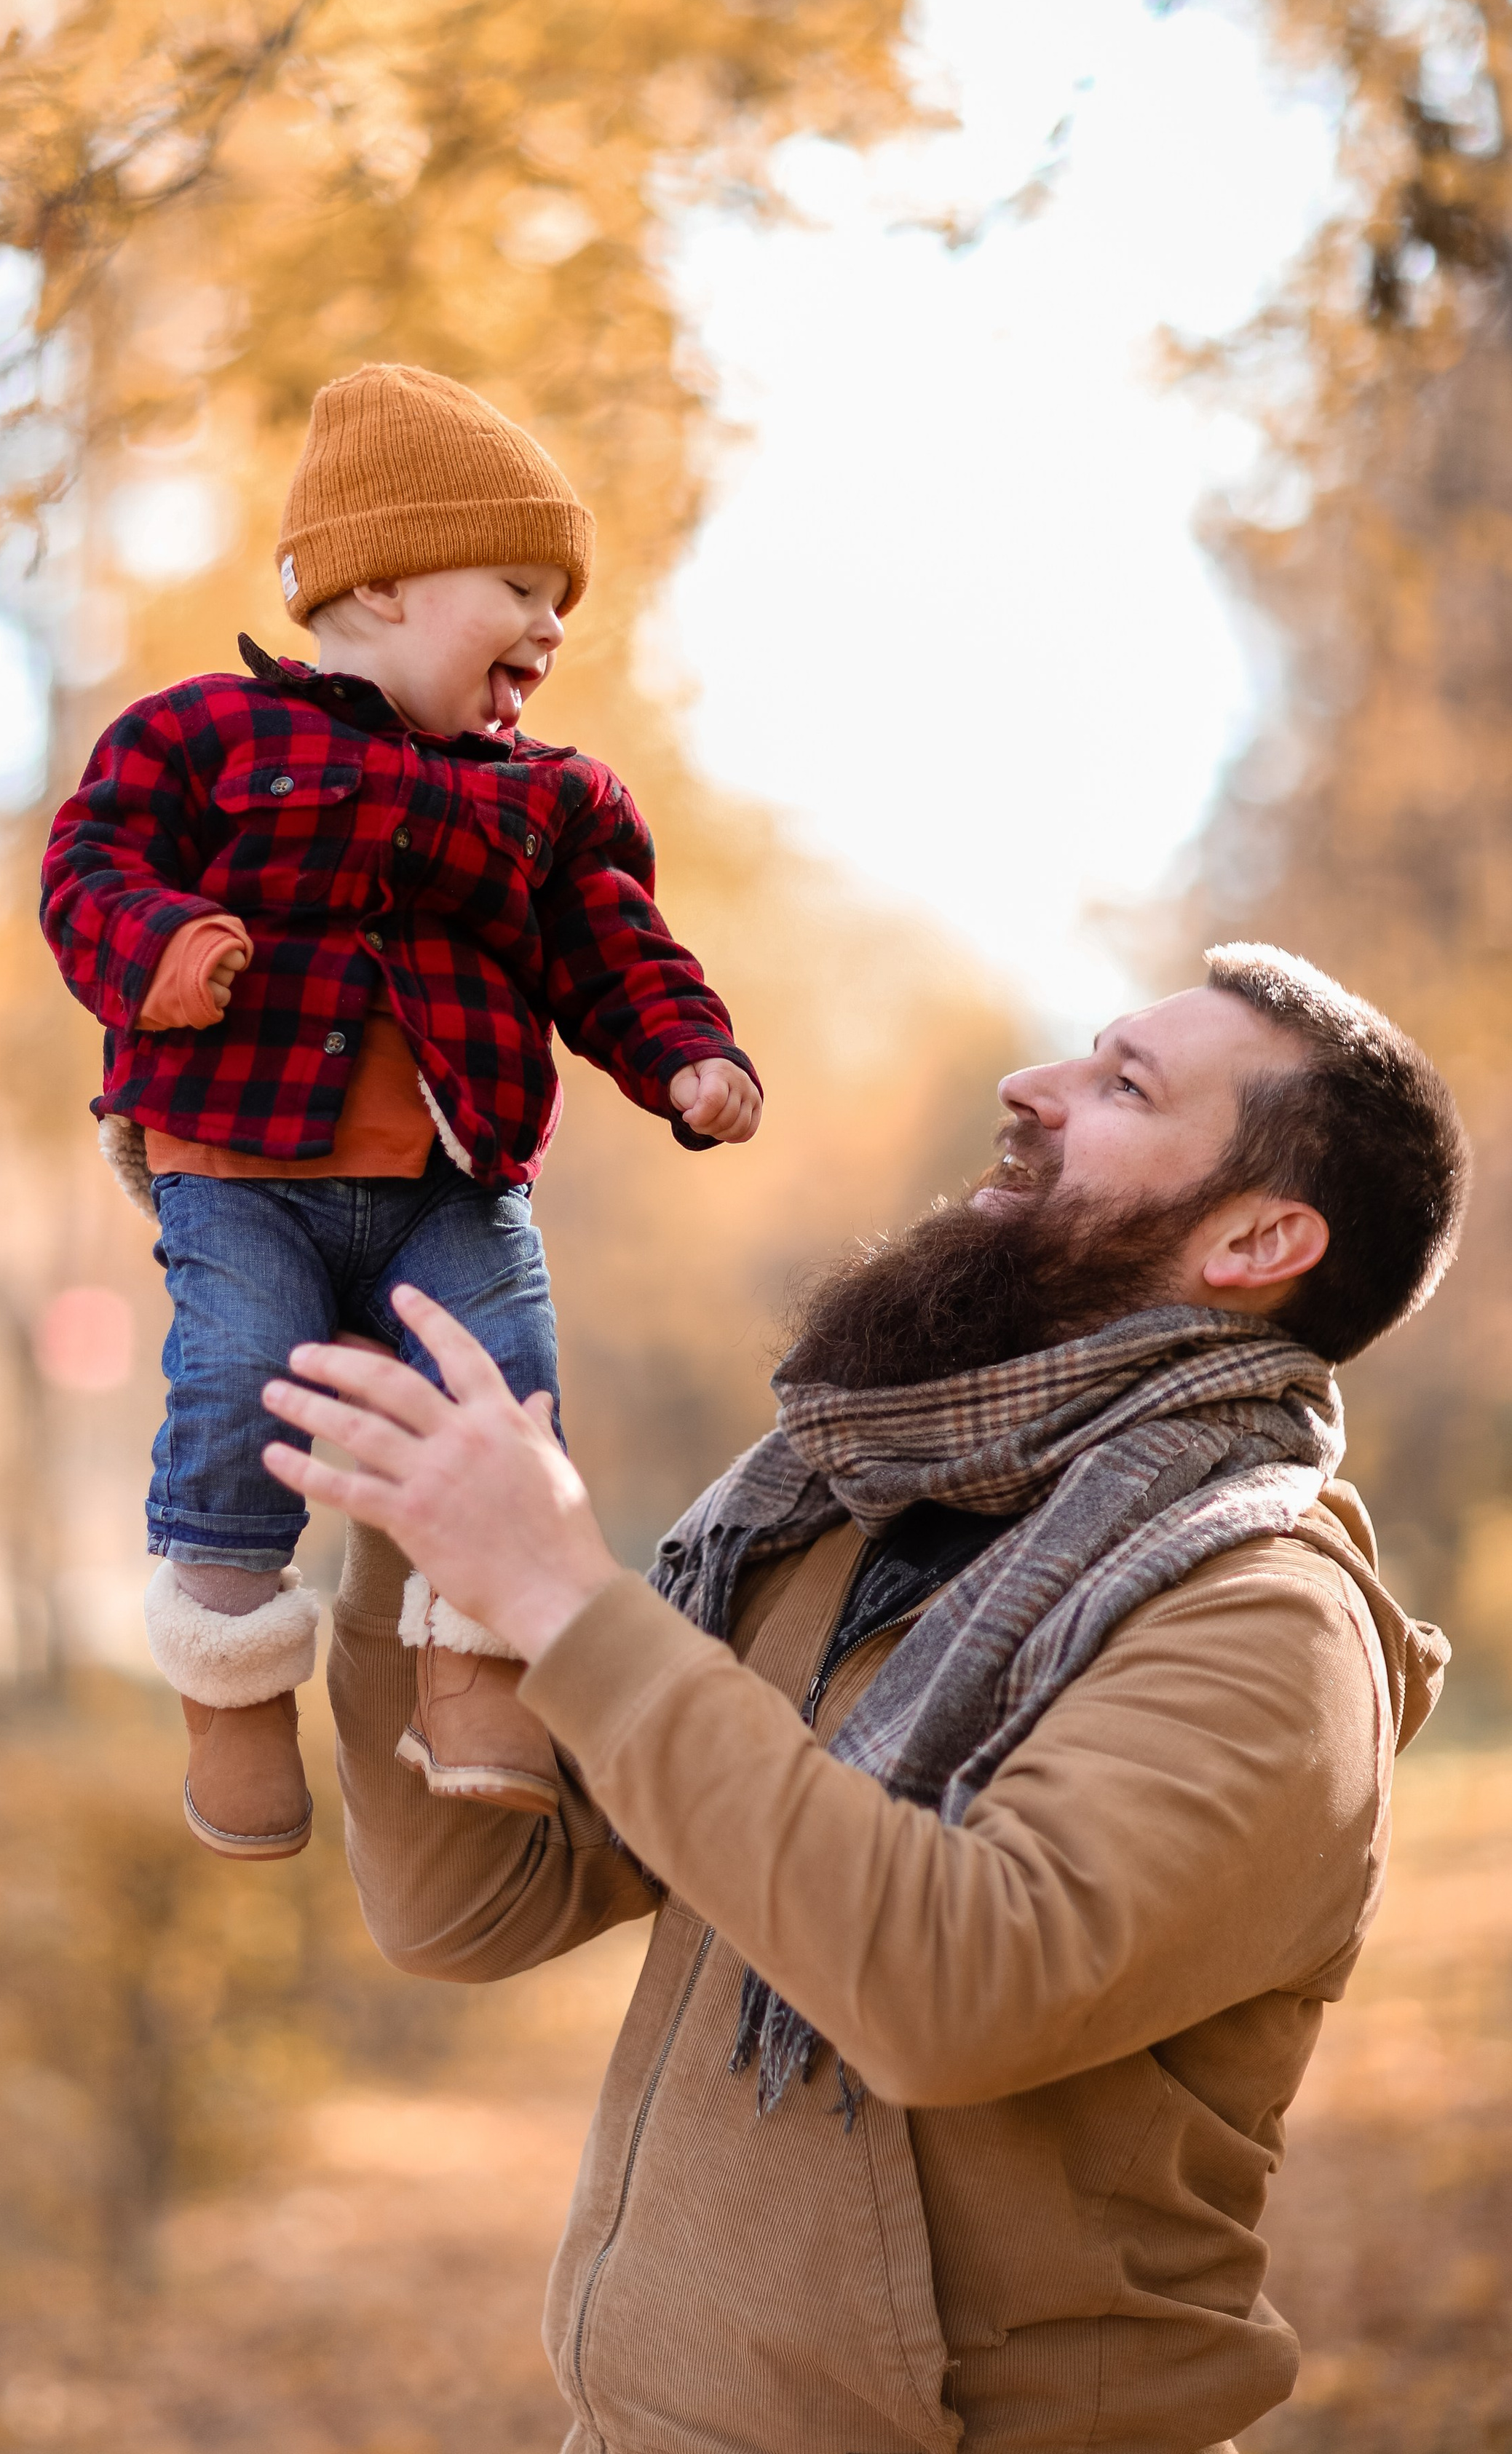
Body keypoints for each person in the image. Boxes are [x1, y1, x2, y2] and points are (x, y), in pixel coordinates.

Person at [277, 944, 1462, 2454]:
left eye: (1119, 1084)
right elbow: (467, 1909)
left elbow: (949, 1987)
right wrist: (418, 1518)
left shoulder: (1261, 1623)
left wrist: (562, 1598)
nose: (1026, 1089)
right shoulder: (837, 1517)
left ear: (1253, 1238)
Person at [40, 364, 761, 1863]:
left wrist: (688, 1053)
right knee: (243, 1381)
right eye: (518, 585)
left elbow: (615, 949)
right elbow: (88, 869)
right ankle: (232, 1702)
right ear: (375, 586)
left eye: (561, 598)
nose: (552, 628)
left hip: (450, 1179)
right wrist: (163, 947)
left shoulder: (548, 802)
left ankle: (473, 1679)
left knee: (506, 1399)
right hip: (240, 1162)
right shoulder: (204, 739)